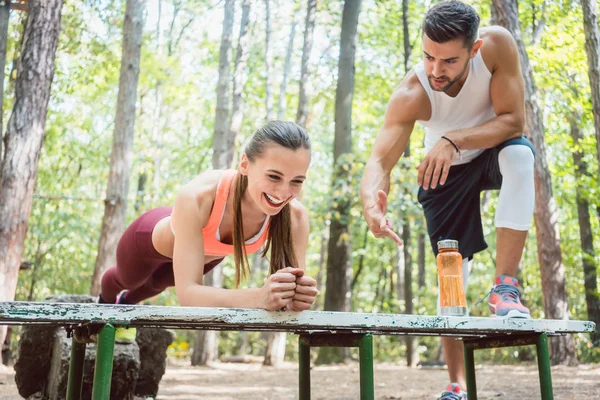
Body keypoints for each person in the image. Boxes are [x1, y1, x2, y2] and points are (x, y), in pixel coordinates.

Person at [360, 1, 535, 399]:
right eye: (428, 56)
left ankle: (505, 286)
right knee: (451, 281)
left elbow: (514, 121)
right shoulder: (414, 92)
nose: (436, 70)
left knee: (520, 155)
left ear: (473, 50)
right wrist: (371, 203)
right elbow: (378, 160)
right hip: (444, 175)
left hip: (490, 149)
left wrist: (453, 139)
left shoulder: (497, 46)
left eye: (449, 60)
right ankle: (457, 385)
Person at [98, 121, 319, 341]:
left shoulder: (295, 218)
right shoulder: (197, 196)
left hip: (206, 256)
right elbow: (188, 296)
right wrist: (259, 296)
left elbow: (292, 298)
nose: (283, 192)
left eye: (296, 181)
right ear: (244, 164)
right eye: (273, 176)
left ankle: (125, 304)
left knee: (157, 283)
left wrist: (296, 297)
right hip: (147, 241)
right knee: (126, 280)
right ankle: (103, 305)